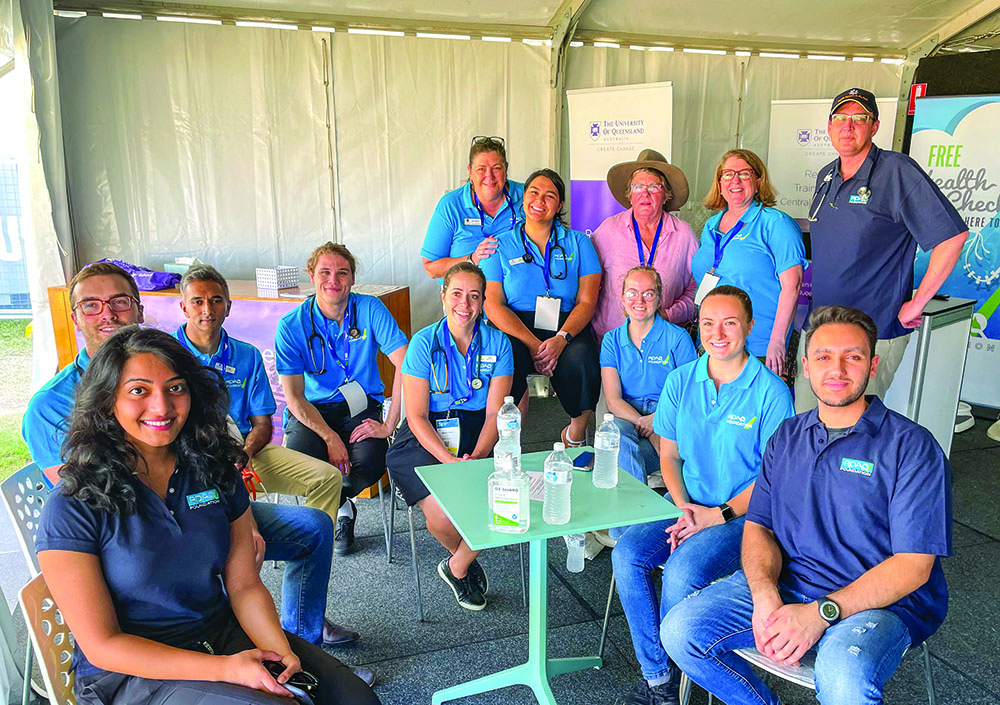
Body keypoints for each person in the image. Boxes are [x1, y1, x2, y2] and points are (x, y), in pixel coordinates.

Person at [21, 262, 370, 665]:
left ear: (139, 309)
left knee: (312, 528)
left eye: (119, 302)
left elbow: (214, 453)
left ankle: (296, 643)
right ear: (75, 317)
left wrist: (240, 519)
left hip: (198, 499)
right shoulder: (49, 406)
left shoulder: (174, 366)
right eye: (92, 305)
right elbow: (86, 501)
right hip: (127, 533)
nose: (108, 314)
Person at [662, 305, 952, 705]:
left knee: (843, 678)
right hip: (791, 583)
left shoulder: (911, 447)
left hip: (879, 604)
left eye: (852, 356)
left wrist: (820, 614)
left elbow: (914, 565)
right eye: (823, 357)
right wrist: (764, 594)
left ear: (872, 366)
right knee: (680, 631)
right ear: (805, 366)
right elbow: (759, 526)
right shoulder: (789, 436)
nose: (837, 369)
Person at [611, 286, 793, 705]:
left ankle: (683, 670)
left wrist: (718, 514)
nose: (719, 332)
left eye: (730, 322)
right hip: (687, 506)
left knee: (681, 571)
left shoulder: (771, 393)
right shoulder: (681, 380)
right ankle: (659, 679)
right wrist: (684, 507)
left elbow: (773, 479)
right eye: (709, 323)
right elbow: (669, 455)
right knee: (627, 552)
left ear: (749, 326)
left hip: (746, 517)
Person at [797, 87, 968, 410]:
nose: (848, 126)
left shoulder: (897, 172)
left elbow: (952, 236)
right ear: (829, 126)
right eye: (841, 118)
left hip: (870, 331)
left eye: (859, 118)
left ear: (874, 126)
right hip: (821, 328)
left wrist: (917, 303)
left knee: (852, 428)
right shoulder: (827, 175)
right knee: (807, 419)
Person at [386, 262, 513, 611]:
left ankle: (457, 565)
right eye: (457, 293)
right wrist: (448, 461)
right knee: (442, 516)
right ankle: (467, 558)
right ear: (443, 296)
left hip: (478, 433)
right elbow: (416, 415)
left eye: (474, 296)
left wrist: (479, 454)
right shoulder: (423, 344)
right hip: (424, 435)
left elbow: (494, 414)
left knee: (505, 504)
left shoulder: (499, 344)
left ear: (484, 301)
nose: (465, 304)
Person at [276, 243, 408, 556]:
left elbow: (406, 363)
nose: (333, 280)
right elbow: (294, 398)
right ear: (312, 275)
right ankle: (342, 509)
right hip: (312, 411)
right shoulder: (291, 326)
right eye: (325, 272)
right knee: (300, 464)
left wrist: (389, 423)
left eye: (342, 272)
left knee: (371, 463)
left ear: (351, 278)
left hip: (360, 406)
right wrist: (330, 436)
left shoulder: (370, 309)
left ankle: (337, 501)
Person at [481, 168, 601, 447]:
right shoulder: (499, 245)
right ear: (523, 199)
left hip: (566, 324)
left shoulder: (580, 243)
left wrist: (561, 339)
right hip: (515, 324)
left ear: (559, 205)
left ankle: (575, 434)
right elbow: (493, 304)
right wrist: (533, 344)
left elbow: (587, 301)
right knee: (506, 357)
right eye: (534, 192)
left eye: (550, 195)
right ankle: (499, 441)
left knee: (583, 358)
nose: (540, 200)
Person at [691, 149, 806, 375]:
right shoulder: (711, 226)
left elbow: (792, 287)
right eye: (728, 174)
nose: (735, 180)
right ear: (719, 183)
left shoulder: (776, 223)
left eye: (744, 174)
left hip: (760, 345)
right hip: (715, 342)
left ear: (758, 181)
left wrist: (777, 342)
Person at [599, 266, 697, 519]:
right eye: (632, 293)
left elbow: (687, 394)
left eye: (648, 294)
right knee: (617, 437)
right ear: (621, 298)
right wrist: (643, 422)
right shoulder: (611, 340)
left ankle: (625, 526)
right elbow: (613, 399)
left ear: (659, 298)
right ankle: (638, 520)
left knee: (624, 457)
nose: (639, 301)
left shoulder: (677, 338)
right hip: (628, 416)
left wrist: (658, 420)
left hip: (667, 413)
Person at [592, 149, 697, 337]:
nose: (645, 194)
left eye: (654, 187)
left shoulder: (684, 234)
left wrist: (670, 314)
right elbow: (587, 282)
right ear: (629, 195)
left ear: (666, 195)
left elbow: (696, 289)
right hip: (613, 341)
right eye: (638, 187)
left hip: (665, 340)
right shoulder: (608, 231)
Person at [421, 136, 524, 279]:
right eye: (481, 169)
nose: (489, 176)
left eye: (496, 168)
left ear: (506, 169)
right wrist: (471, 259)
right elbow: (431, 268)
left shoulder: (528, 198)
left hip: (514, 295)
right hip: (466, 296)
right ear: (470, 171)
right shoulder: (451, 205)